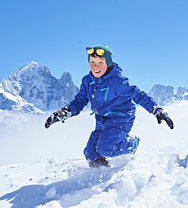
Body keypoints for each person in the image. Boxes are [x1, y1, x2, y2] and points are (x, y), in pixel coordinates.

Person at [44, 44, 174, 168]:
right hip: (102, 120)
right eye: (92, 62)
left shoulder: (118, 81)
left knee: (105, 148)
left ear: (108, 63)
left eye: (100, 62)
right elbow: (79, 101)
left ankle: (132, 143)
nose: (96, 66)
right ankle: (102, 173)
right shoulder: (87, 81)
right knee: (90, 153)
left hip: (121, 119)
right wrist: (64, 112)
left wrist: (157, 110)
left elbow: (138, 95)